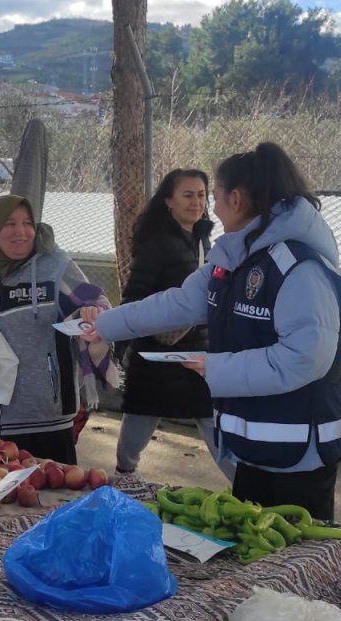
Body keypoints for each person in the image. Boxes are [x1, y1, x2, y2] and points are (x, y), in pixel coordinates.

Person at [83, 143, 341, 520]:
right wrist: (105, 325)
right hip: (252, 449)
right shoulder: (233, 259)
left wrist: (217, 368)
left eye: (216, 197)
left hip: (298, 459)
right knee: (252, 555)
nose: (211, 207)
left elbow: (304, 359)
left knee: (292, 564)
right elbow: (177, 304)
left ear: (237, 199)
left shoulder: (299, 269)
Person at [0, 195, 117, 464]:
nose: (21, 232)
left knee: (55, 495)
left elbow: (95, 301)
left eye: (28, 223)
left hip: (47, 417)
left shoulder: (56, 266)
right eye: (10, 223)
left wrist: (93, 317)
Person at [113, 168, 235, 481]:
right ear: (168, 201)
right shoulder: (157, 245)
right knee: (141, 417)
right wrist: (121, 343)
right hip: (157, 355)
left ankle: (245, 484)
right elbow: (134, 298)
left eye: (201, 195)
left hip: (196, 353)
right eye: (187, 195)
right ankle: (123, 478)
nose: (196, 202)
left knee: (211, 421)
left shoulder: (204, 240)